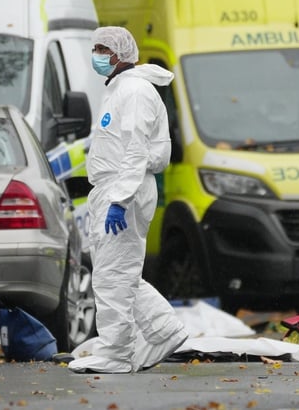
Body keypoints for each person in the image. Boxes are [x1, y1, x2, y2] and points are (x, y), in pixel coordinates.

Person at [68, 26, 188, 374]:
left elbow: (136, 150)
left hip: (125, 189)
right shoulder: (123, 89)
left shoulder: (134, 91)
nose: (98, 55)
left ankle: (117, 353)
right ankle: (164, 330)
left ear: (121, 53)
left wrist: (121, 198)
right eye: (96, 48)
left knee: (112, 275)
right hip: (118, 187)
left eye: (103, 48)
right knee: (120, 272)